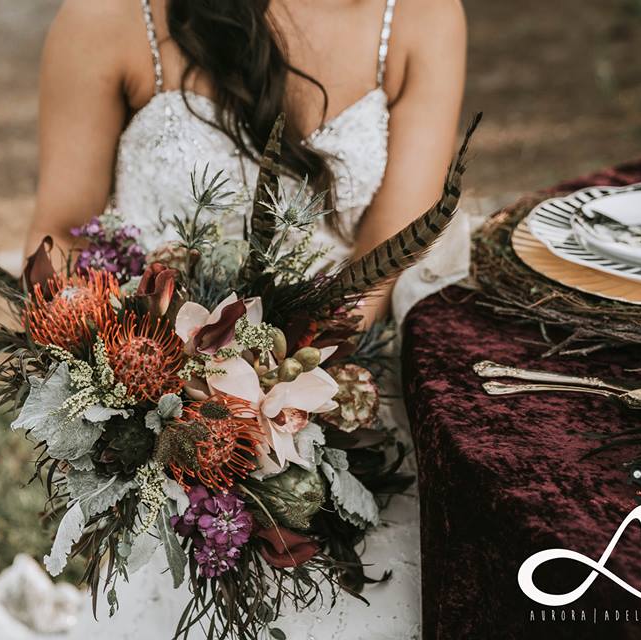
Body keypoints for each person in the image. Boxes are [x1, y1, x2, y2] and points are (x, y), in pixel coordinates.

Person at [26, 1, 468, 637]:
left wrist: (280, 392)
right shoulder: (109, 16)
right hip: (162, 405)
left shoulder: (421, 14)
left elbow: (393, 248)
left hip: (338, 388)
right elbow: (64, 231)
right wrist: (142, 392)